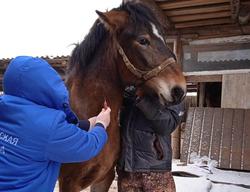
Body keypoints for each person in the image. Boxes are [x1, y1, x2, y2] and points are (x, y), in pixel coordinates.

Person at [0, 56, 111, 192]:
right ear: (46, 85)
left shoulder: (5, 108)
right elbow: (87, 146)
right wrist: (101, 124)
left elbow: (30, 134)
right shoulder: (49, 126)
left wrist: (88, 124)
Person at [117, 86, 184, 192]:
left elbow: (167, 125)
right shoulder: (129, 90)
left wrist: (142, 100)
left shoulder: (172, 90)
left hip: (156, 171)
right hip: (127, 170)